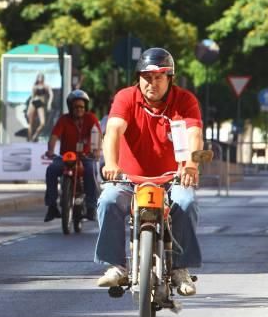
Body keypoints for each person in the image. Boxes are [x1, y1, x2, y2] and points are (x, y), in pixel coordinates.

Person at [96, 47, 202, 296]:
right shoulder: (125, 97)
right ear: (138, 78)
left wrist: (191, 166)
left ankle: (179, 268)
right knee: (108, 200)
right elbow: (113, 131)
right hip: (127, 178)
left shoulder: (185, 101)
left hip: (171, 178)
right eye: (146, 77)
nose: (151, 83)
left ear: (170, 78)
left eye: (158, 77)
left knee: (186, 202)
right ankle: (117, 266)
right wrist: (111, 163)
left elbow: (194, 134)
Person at [43, 89, 101, 222]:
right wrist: (50, 151)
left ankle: (91, 207)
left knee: (91, 170)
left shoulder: (91, 118)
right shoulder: (63, 119)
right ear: (70, 107)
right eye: (75, 107)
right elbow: (54, 136)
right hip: (66, 157)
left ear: (85, 107)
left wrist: (97, 151)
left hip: (86, 157)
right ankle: (52, 207)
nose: (79, 109)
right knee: (51, 170)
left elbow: (98, 135)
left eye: (81, 106)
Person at [27, 72, 52, 142]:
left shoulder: (46, 86)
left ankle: (34, 136)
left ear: (43, 78)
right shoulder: (35, 87)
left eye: (41, 77)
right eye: (39, 77)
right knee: (31, 123)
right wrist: (29, 107)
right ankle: (29, 139)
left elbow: (51, 95)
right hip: (34, 102)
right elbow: (32, 97)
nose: (40, 79)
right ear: (37, 78)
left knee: (42, 123)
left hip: (40, 103)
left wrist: (49, 103)